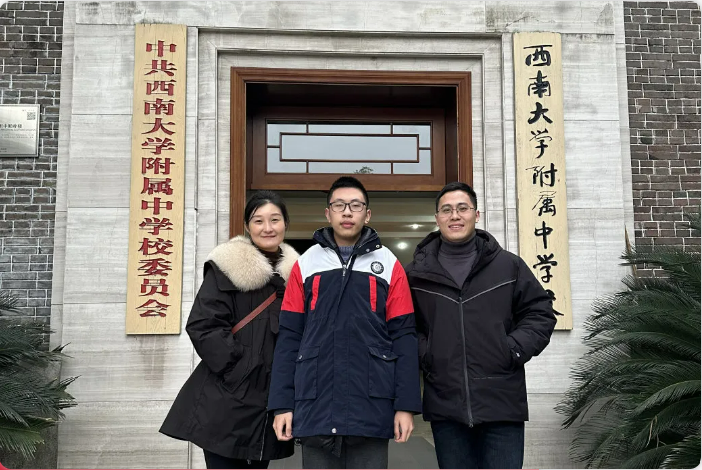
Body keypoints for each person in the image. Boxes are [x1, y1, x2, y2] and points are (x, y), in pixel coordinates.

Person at [267, 176, 421, 469]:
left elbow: (403, 336)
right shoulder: (306, 264)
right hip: (316, 403)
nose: (347, 212)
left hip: (371, 404)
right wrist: (282, 404)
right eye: (339, 205)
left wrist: (405, 405)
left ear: (367, 214)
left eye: (355, 205)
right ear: (328, 213)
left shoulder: (389, 265)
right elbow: (289, 337)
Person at [405, 181, 557, 469]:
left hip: (502, 403)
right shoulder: (416, 274)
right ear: (437, 218)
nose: (455, 216)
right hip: (446, 404)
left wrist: (511, 349)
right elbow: (404, 327)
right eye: (446, 210)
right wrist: (427, 354)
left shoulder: (508, 266)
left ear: (476, 214)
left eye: (462, 208)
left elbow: (540, 313)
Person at [159, 191, 299, 469]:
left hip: (269, 401)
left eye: (275, 219)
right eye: (258, 221)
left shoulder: (298, 275)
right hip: (227, 398)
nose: (268, 228)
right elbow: (203, 325)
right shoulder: (227, 268)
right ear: (247, 226)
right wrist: (239, 369)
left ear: (285, 223)